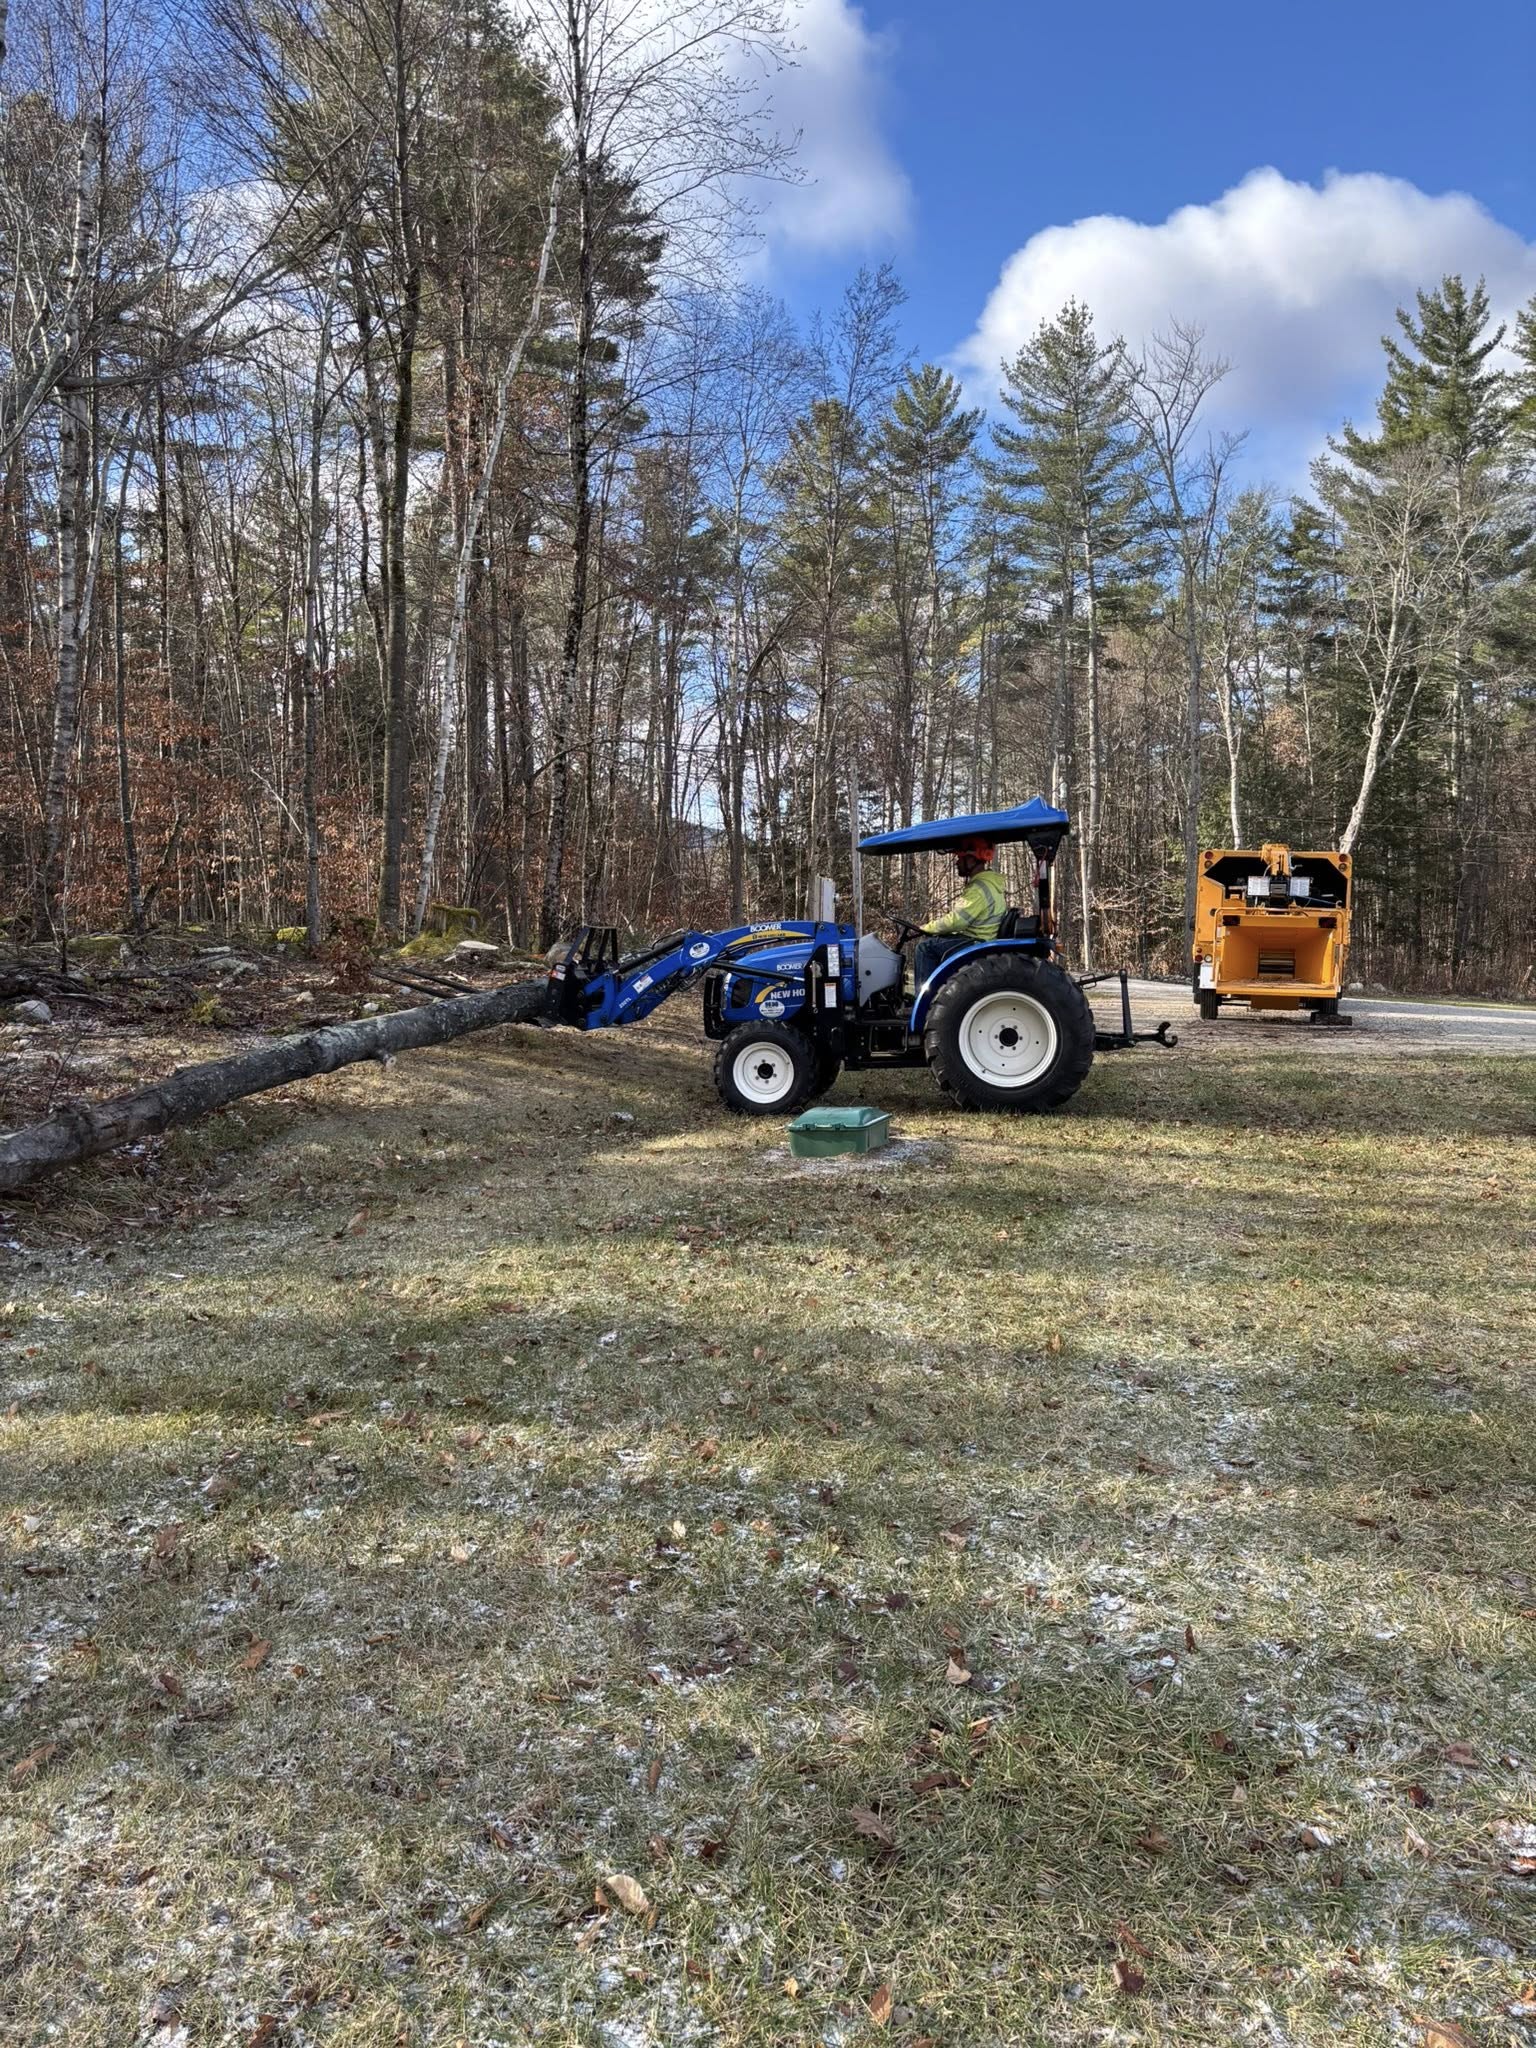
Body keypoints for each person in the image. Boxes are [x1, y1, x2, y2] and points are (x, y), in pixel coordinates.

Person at [913, 838, 1006, 985]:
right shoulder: (990, 884)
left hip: (976, 942)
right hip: (980, 940)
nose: (957, 863)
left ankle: (925, 1002)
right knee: (934, 943)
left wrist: (926, 928)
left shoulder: (978, 889)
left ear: (972, 859)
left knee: (925, 948)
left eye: (960, 858)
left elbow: (957, 921)